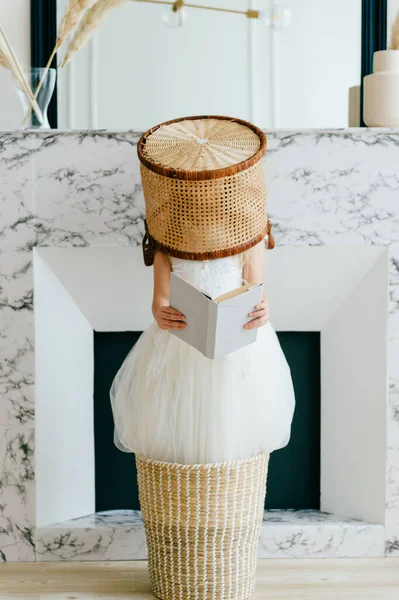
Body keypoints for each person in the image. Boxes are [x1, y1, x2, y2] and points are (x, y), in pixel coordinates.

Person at [110, 236, 295, 465]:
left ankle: (229, 491)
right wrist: (161, 312)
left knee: (229, 418)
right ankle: (185, 490)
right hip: (181, 343)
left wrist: (262, 312)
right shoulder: (166, 238)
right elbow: (160, 299)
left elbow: (257, 293)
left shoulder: (247, 237)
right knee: (182, 423)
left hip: (235, 343)